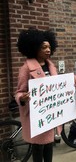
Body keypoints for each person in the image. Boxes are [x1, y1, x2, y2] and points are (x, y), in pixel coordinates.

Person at [15, 28, 62, 162]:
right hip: (37, 115)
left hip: (50, 113)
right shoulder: (26, 68)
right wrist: (22, 98)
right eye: (43, 47)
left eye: (49, 47)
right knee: (38, 148)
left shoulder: (51, 66)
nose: (48, 50)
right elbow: (19, 92)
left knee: (49, 145)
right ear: (34, 48)